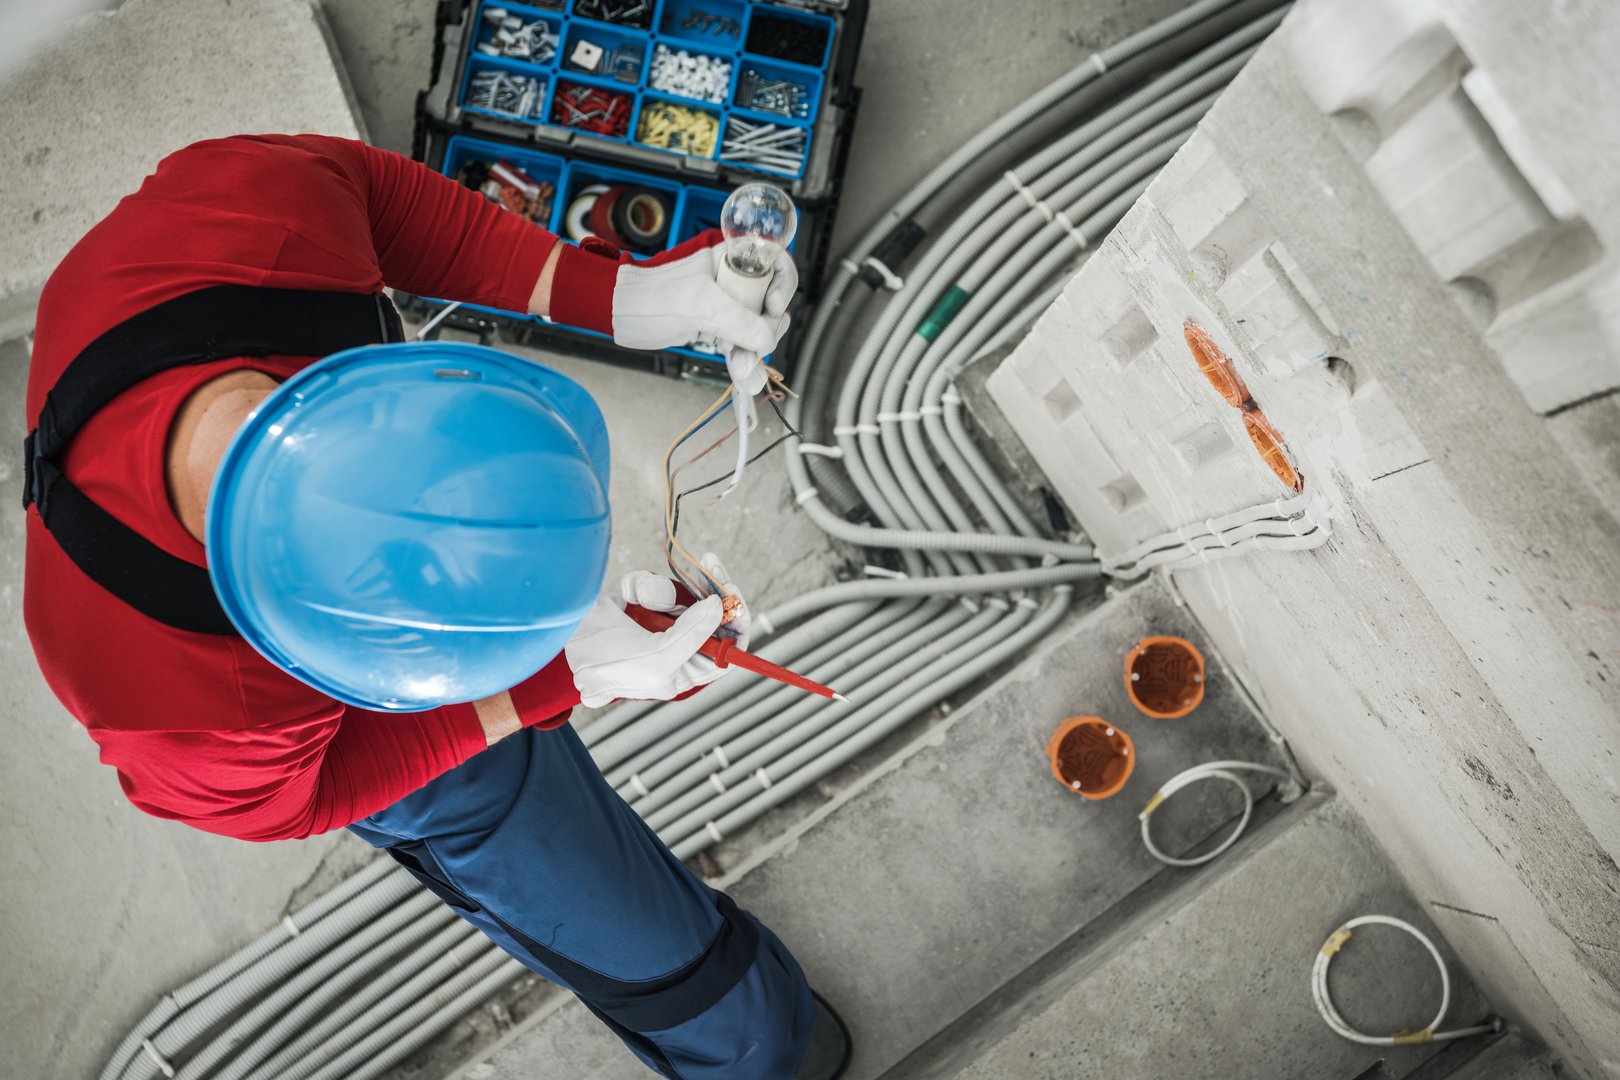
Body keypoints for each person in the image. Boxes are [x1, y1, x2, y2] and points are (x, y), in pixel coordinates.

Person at [21, 133, 850, 1080]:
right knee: (657, 957)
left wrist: (624, 297)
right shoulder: (191, 714)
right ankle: (758, 1050)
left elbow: (381, 199)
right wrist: (548, 683)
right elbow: (310, 799)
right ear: (362, 645)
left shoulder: (253, 215)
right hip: (356, 737)